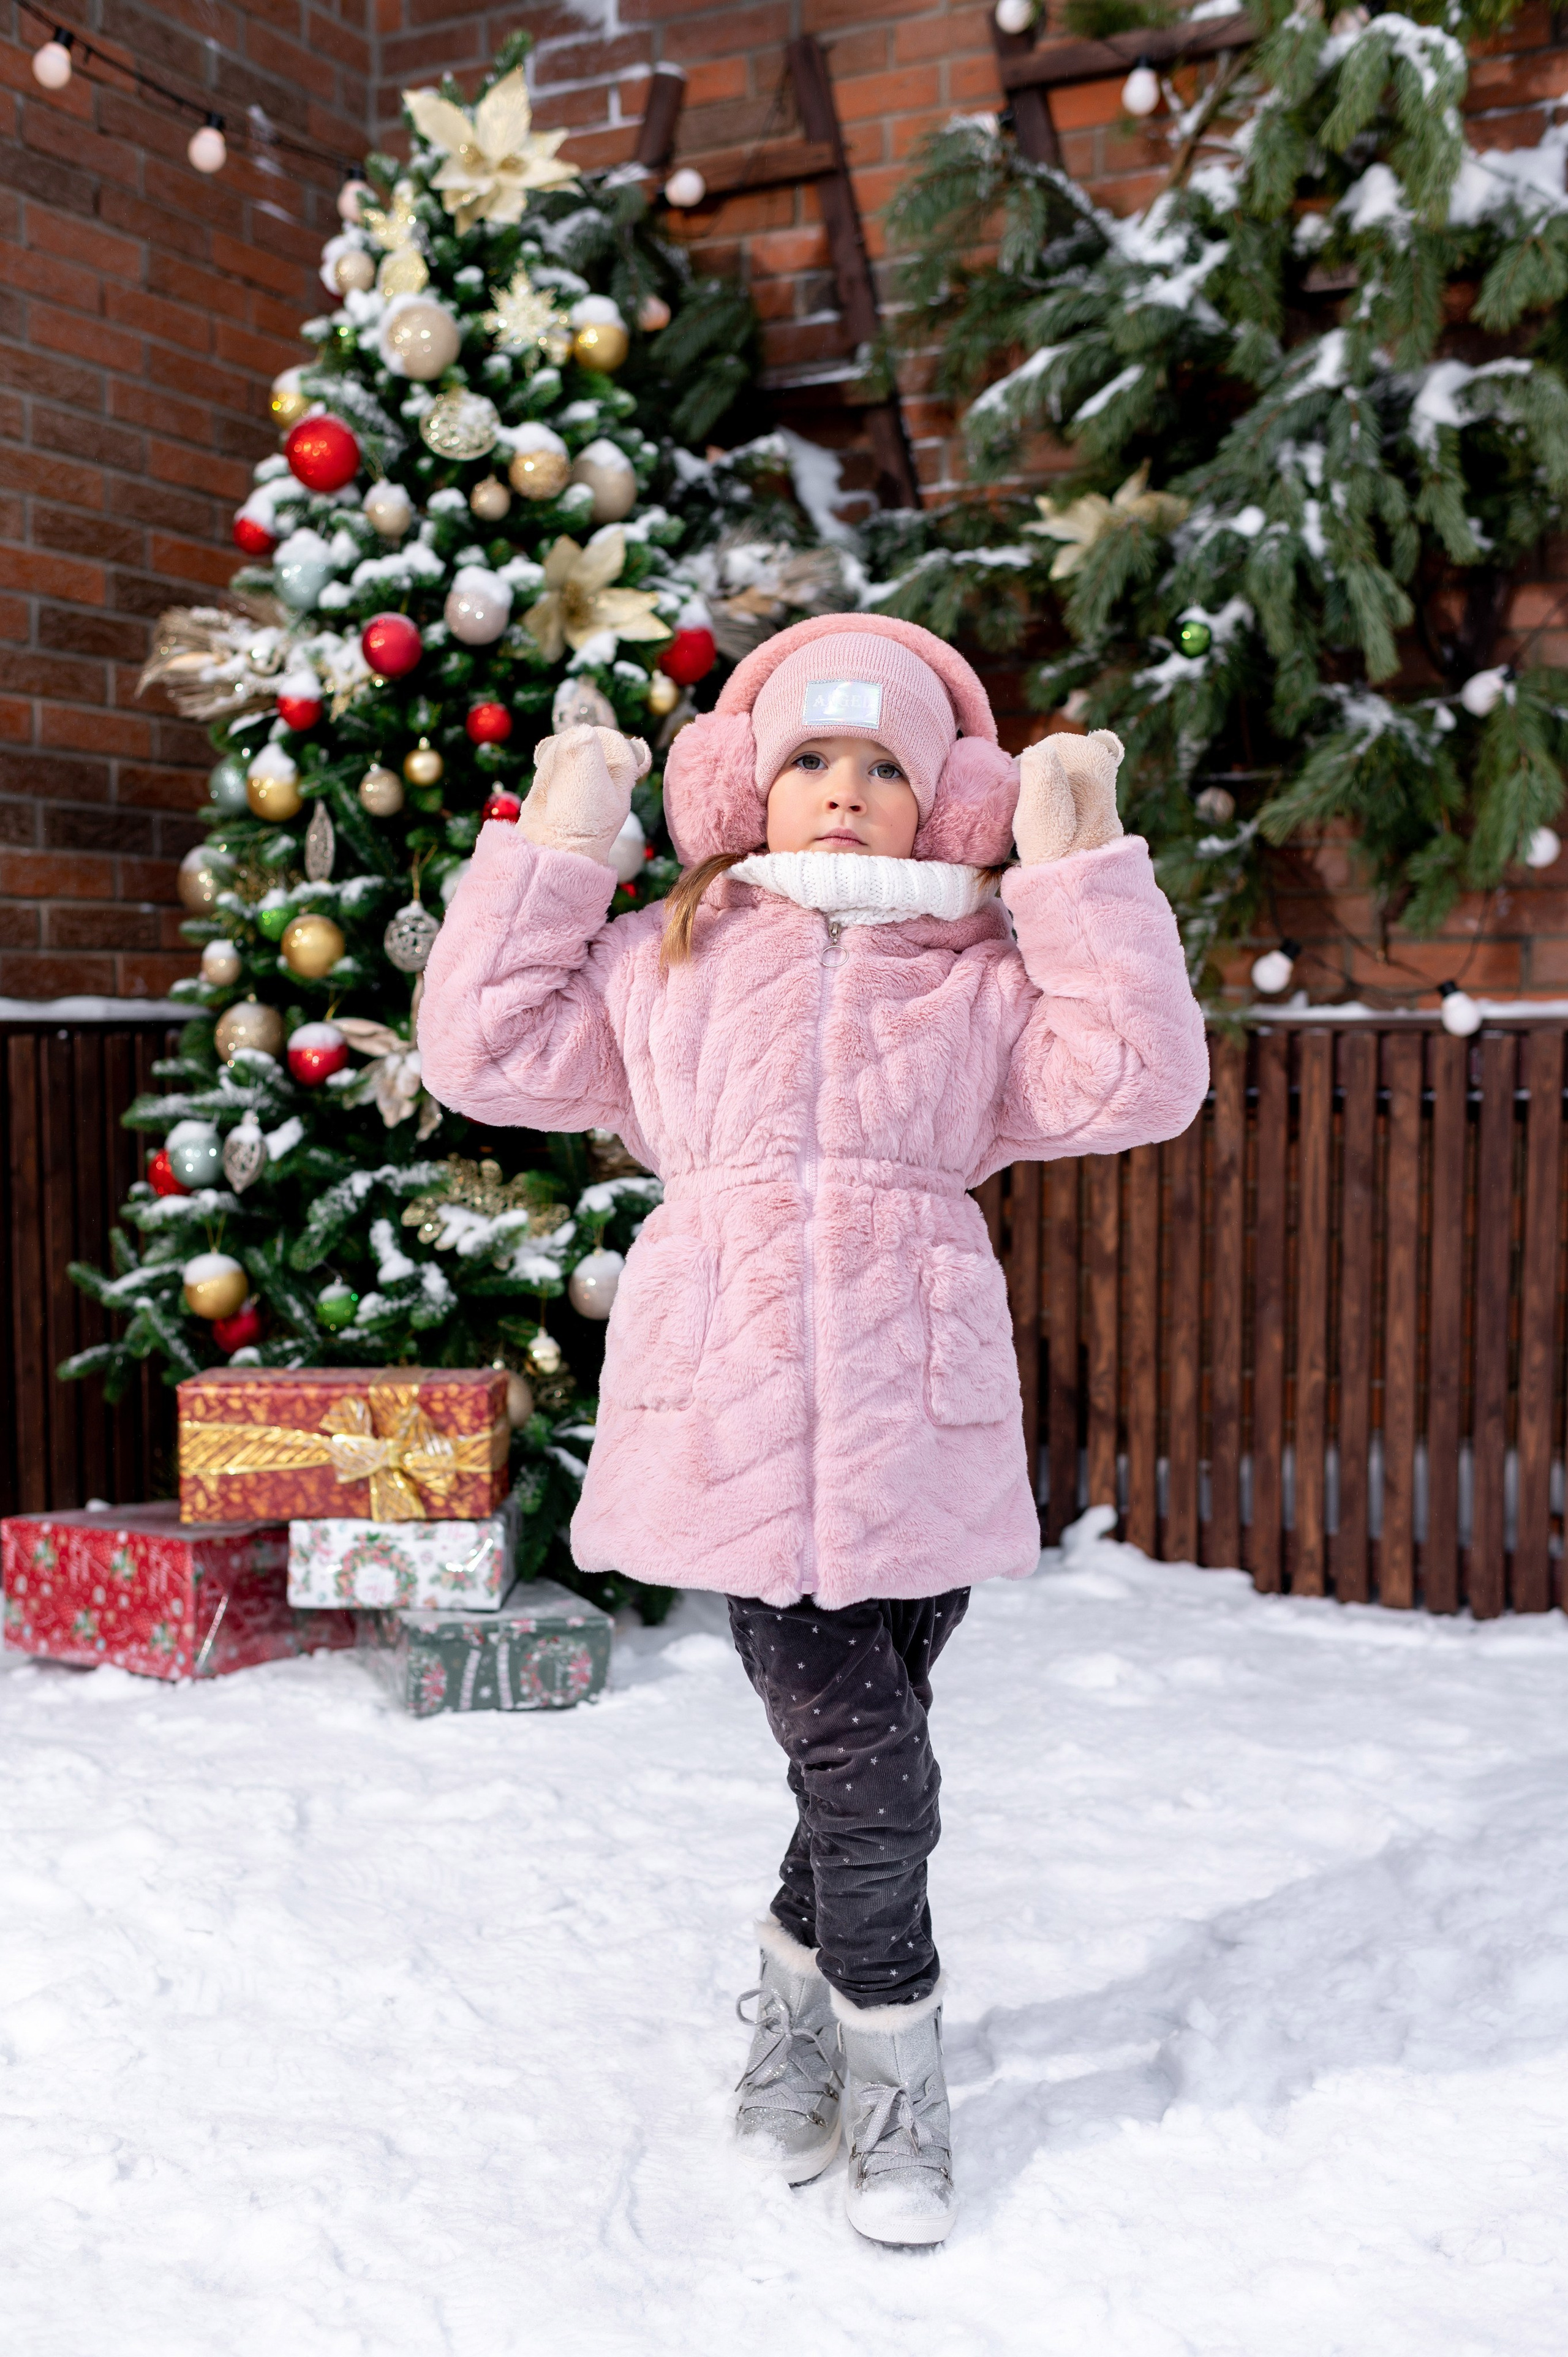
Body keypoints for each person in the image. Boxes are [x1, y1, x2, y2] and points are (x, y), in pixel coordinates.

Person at [420, 616, 1208, 2247]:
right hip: (731, 1427)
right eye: (808, 761)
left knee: (852, 1767)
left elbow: (1138, 1078)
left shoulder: (980, 977)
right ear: (742, 787)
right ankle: (898, 2084)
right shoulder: (665, 960)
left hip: (917, 1427)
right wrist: (562, 844)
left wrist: (1078, 870)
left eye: (883, 768)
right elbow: (482, 1049)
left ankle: (786, 2024)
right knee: (875, 1776)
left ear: (946, 805)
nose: (842, 793)